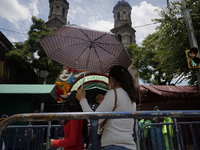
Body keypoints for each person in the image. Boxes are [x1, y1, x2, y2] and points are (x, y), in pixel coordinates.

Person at [76, 65, 137, 150]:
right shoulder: (131, 97)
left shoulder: (113, 93)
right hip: (130, 146)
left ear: (111, 79)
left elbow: (94, 119)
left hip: (114, 145)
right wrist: (104, 102)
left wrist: (82, 99)